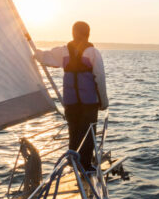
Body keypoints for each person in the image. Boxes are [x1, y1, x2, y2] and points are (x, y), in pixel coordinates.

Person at [34, 21, 109, 170]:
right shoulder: (93, 53)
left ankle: (74, 163)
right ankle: (86, 166)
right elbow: (99, 78)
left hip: (71, 102)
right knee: (88, 133)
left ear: (73, 33)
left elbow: (45, 57)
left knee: (74, 132)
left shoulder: (63, 52)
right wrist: (103, 102)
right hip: (88, 103)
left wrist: (35, 53)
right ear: (88, 34)